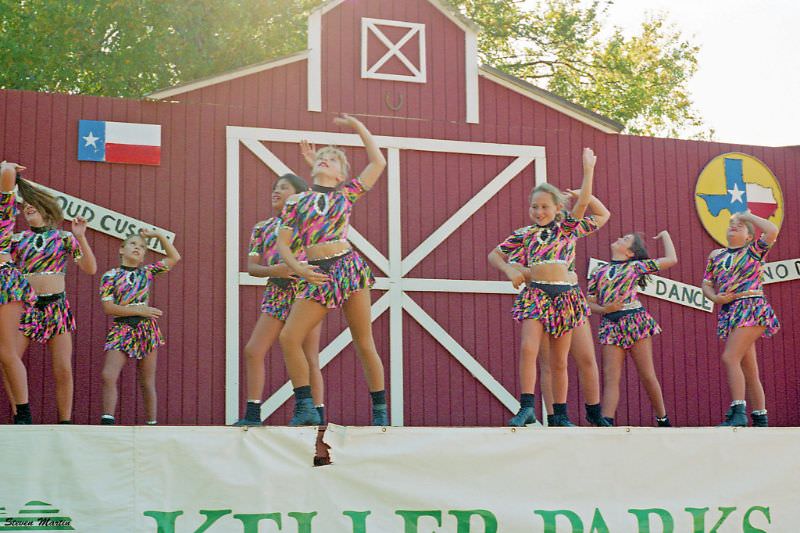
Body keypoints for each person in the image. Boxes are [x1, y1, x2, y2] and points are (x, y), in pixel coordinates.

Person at [277, 114, 388, 426]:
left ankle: (380, 412)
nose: (326, 160)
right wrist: (298, 268)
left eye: (333, 159)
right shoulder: (297, 201)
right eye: (322, 157)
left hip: (348, 267)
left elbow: (377, 162)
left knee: (363, 340)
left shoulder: (345, 194)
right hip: (316, 272)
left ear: (341, 174)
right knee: (289, 337)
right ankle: (305, 406)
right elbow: (284, 243)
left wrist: (358, 128)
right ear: (312, 167)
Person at [489, 148, 609, 427]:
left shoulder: (566, 228)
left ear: (557, 208)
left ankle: (564, 414)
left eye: (545, 206)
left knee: (560, 360)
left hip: (565, 297)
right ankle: (527, 406)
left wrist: (588, 173)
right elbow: (495, 254)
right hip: (537, 295)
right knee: (529, 349)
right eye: (534, 206)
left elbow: (587, 210)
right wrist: (509, 269)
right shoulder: (524, 234)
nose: (539, 211)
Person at [233, 173, 325, 426]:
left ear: (297, 194)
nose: (276, 191)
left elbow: (322, 256)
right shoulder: (261, 228)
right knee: (253, 350)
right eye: (274, 187)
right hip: (276, 291)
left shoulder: (308, 223)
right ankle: (253, 415)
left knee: (310, 357)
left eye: (283, 188)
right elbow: (252, 267)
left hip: (306, 292)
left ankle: (317, 415)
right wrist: (275, 270)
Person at [10, 183, 96, 424]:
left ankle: (65, 421)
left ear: (47, 209)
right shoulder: (18, 240)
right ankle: (21, 415)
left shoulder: (64, 238)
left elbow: (90, 268)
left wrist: (80, 237)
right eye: (25, 205)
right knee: (10, 360)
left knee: (63, 368)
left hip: (56, 308)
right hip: (26, 308)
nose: (28, 207)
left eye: (33, 204)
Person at [587, 231, 677, 426]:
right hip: (610, 323)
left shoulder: (635, 266)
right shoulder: (598, 272)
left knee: (647, 374)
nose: (619, 238)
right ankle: (607, 422)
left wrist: (664, 236)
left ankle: (663, 419)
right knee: (611, 377)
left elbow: (671, 259)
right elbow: (590, 303)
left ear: (630, 253)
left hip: (635, 320)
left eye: (626, 239)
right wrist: (604, 309)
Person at [702, 211, 779, 427]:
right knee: (749, 369)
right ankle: (760, 417)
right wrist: (715, 297)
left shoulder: (754, 251)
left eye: (740, 225)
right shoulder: (716, 255)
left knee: (729, 357)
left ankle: (738, 412)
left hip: (752, 307)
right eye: (731, 224)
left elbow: (772, 230)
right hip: (730, 310)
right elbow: (706, 283)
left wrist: (750, 216)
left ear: (749, 236)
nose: (734, 226)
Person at [99, 229, 180, 425]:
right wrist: (139, 310)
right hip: (122, 328)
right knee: (108, 374)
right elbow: (108, 307)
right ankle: (107, 421)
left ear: (144, 255)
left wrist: (158, 236)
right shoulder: (110, 276)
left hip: (146, 329)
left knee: (146, 380)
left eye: (142, 247)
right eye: (133, 244)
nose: (138, 248)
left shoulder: (147, 273)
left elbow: (174, 257)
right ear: (121, 249)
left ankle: (152, 423)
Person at [0, 161, 37, 423]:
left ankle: (22, 413)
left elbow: (7, 173)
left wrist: (6, 167)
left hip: (3, 279)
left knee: (6, 351)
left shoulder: (4, 206)